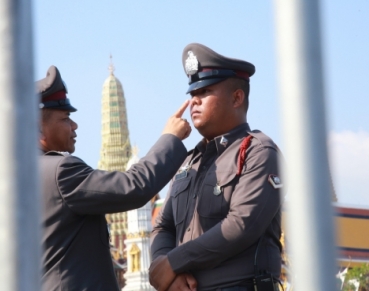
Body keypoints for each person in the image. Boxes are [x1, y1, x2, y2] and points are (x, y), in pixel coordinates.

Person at [37, 65, 192, 291]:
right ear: (39, 129)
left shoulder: (17, 179)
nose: (74, 125)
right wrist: (170, 138)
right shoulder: (60, 172)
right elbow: (135, 186)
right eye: (65, 118)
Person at [150, 43, 284, 291]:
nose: (194, 102)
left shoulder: (258, 151)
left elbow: (242, 224)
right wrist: (164, 269)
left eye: (204, 92)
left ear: (236, 98)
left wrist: (173, 263)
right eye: (192, 95)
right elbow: (162, 226)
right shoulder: (188, 162)